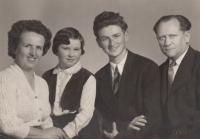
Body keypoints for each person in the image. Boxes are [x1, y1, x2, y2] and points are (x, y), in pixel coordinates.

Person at [93, 11, 162, 139]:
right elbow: (99, 120)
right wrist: (125, 126)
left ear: (126, 35)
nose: (112, 43)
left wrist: (123, 135)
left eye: (116, 36)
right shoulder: (98, 77)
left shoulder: (147, 68)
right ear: (98, 42)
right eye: (105, 39)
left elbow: (154, 118)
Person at [0, 20, 67, 139]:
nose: (33, 53)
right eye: (27, 46)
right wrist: (43, 134)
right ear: (14, 47)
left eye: (39, 48)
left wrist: (54, 134)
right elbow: (7, 125)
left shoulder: (42, 83)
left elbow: (45, 120)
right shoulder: (4, 79)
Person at [43, 27, 103, 139]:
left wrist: (66, 133)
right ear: (56, 50)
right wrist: (48, 129)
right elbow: (42, 109)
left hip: (79, 128)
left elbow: (86, 113)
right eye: (66, 48)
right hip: (53, 126)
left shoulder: (87, 78)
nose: (71, 54)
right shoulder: (47, 76)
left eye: (76, 49)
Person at [153, 15, 200, 139]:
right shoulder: (159, 71)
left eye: (172, 36)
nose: (167, 43)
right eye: (162, 38)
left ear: (186, 36)